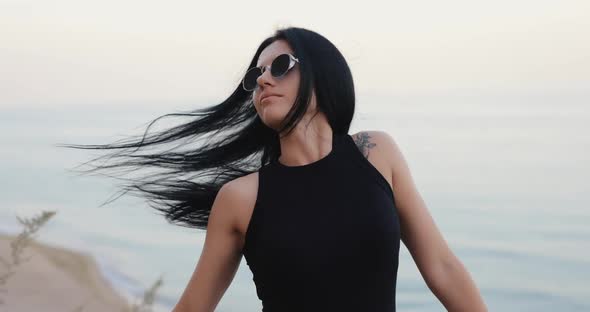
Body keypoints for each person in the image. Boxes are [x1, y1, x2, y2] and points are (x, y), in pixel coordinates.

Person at [60, 26, 487, 312]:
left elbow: (443, 268)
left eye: (280, 66)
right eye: (256, 74)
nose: (263, 80)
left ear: (322, 76)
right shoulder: (241, 198)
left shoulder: (377, 154)